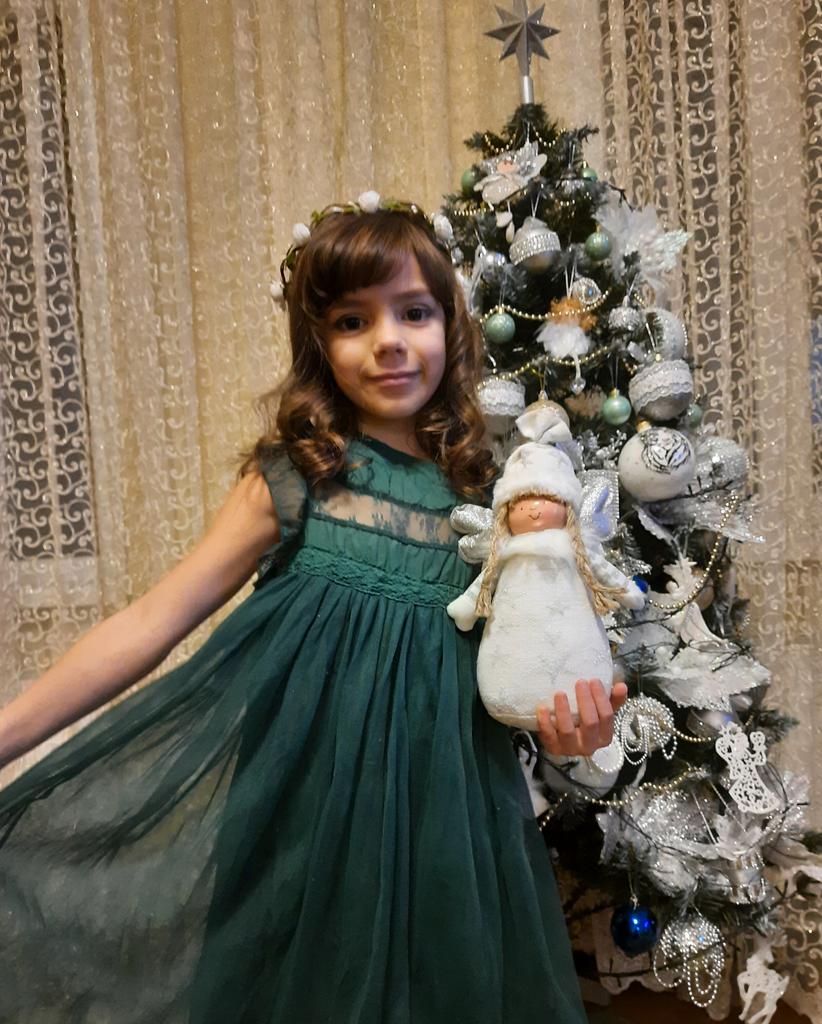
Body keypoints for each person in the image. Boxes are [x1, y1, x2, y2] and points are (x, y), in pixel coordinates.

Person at [0, 198, 626, 1023]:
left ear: (452, 326)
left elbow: (533, 662)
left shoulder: (495, 501)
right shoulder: (295, 478)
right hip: (303, 830)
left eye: (414, 313)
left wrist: (574, 729)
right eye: (352, 321)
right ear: (319, 345)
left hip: (449, 834)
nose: (388, 341)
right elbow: (150, 622)